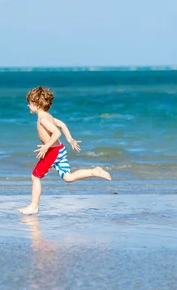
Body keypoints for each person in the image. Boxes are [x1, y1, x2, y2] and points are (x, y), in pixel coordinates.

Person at [18, 86, 112, 215]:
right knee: (68, 177)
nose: (28, 105)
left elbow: (57, 133)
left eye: (29, 103)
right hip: (59, 149)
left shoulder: (43, 119)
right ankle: (94, 171)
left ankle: (34, 206)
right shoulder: (47, 116)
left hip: (53, 152)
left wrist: (46, 146)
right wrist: (70, 139)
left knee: (35, 177)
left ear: (37, 105)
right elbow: (62, 125)